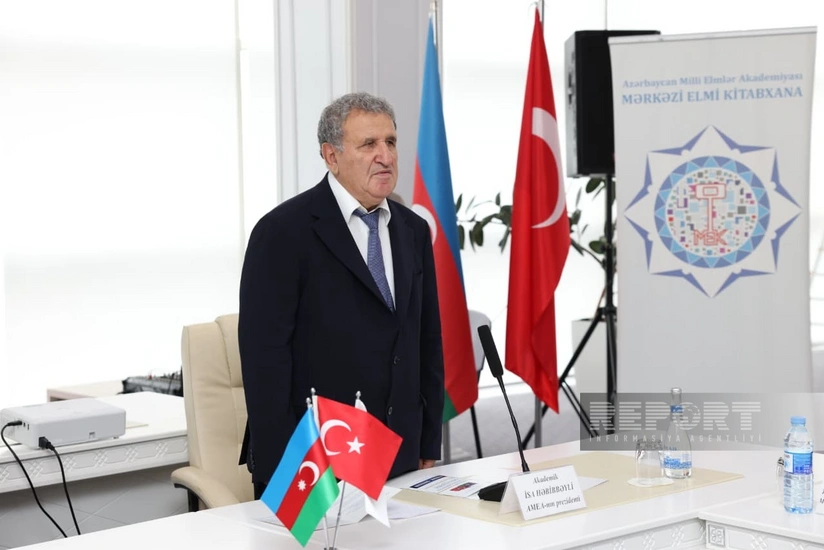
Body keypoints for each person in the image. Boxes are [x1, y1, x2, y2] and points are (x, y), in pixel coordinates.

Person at [238, 92, 445, 498]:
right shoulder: (282, 233)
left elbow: (427, 339)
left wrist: (428, 438)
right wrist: (289, 471)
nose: (385, 156)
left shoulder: (413, 230)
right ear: (331, 156)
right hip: (315, 459)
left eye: (390, 142)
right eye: (368, 144)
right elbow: (265, 363)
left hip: (398, 451)